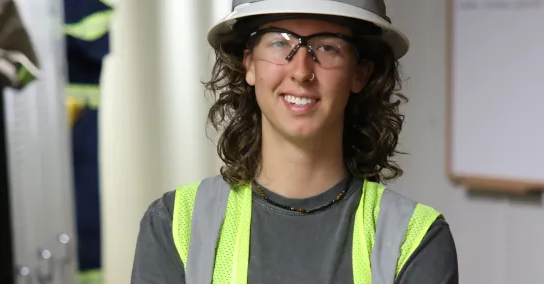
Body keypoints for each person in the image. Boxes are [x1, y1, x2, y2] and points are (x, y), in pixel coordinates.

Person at [131, 0, 458, 283]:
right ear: (249, 65)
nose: (301, 71)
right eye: (278, 43)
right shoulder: (175, 226)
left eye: (327, 46)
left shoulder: (414, 239)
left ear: (360, 73)